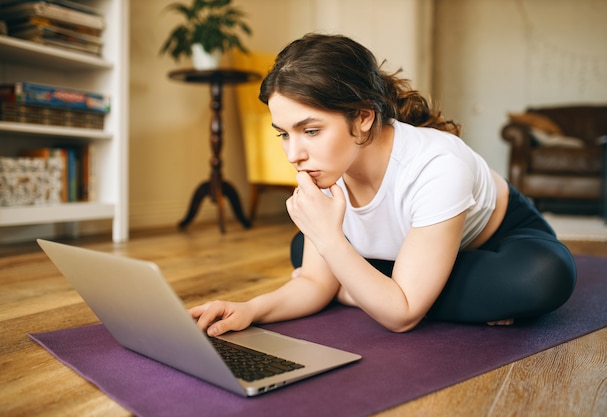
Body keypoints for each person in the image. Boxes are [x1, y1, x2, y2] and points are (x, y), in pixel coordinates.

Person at [190, 33, 577, 336]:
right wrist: (249, 309)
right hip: (408, 254)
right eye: (284, 134)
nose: (294, 154)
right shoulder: (322, 164)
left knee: (543, 277)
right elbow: (311, 281)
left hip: (497, 242)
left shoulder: (438, 163)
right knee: (305, 250)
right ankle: (399, 284)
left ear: (362, 117)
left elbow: (402, 317)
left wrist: (341, 277)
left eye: (310, 130)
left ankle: (379, 283)